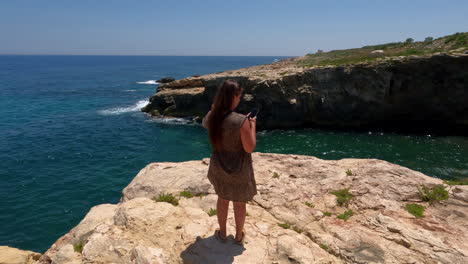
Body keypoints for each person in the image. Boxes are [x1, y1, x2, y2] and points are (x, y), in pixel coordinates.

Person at [202, 79, 257, 245]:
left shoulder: (213, 117)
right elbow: (249, 148)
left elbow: (205, 123)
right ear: (234, 96)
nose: (239, 99)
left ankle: (223, 234)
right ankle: (239, 236)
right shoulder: (241, 121)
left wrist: (213, 110)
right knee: (239, 203)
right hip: (239, 168)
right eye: (239, 96)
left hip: (219, 166)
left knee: (223, 199)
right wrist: (252, 124)